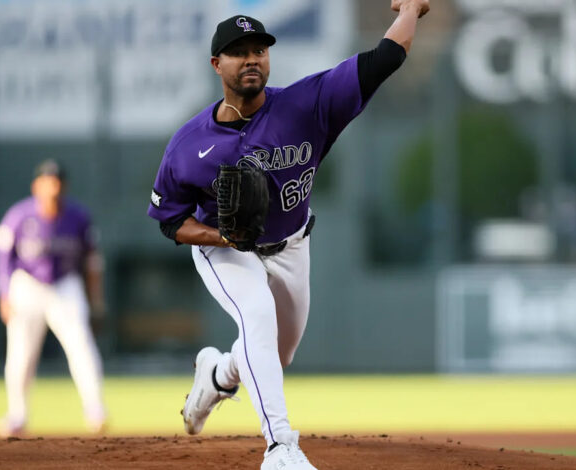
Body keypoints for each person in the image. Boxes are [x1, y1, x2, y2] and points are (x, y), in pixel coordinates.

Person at [147, 1, 430, 468]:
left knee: (276, 355)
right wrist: (224, 239)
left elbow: (386, 57)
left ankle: (217, 375)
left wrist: (413, 9)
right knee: (255, 312)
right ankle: (280, 447)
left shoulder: (306, 104)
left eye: (259, 48)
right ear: (217, 64)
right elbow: (171, 222)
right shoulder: (188, 144)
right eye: (239, 52)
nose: (252, 58)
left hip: (293, 245)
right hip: (226, 251)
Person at [0, 159, 108, 437]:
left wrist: (96, 300)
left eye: (56, 181)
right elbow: (2, 259)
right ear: (36, 186)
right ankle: (17, 415)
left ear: (64, 186)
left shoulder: (79, 217)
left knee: (81, 346)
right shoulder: (18, 216)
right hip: (27, 285)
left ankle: (95, 410)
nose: (52, 186)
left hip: (65, 285)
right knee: (21, 354)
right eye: (47, 181)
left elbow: (92, 262)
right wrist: (4, 295)